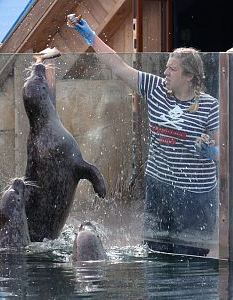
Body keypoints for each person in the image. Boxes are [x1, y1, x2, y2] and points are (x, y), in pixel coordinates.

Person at [68, 16, 219, 256]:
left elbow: (221, 149)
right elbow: (118, 66)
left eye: (173, 69)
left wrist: (210, 150)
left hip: (194, 196)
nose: (165, 72)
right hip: (159, 188)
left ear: (189, 76)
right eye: (166, 66)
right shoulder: (156, 88)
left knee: (189, 258)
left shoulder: (209, 105)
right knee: (155, 253)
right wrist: (90, 36)